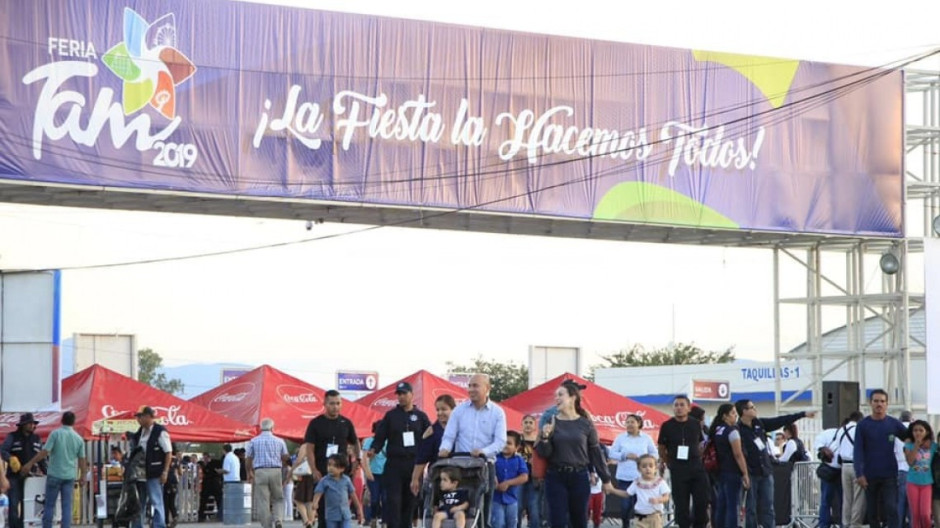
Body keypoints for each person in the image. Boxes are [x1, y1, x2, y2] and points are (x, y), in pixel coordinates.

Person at [535, 381, 613, 528]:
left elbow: (595, 452)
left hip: (579, 477)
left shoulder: (585, 423)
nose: (556, 398)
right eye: (555, 396)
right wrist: (545, 437)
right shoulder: (550, 421)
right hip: (555, 476)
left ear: (572, 398)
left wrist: (606, 479)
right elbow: (544, 453)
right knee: (557, 521)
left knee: (579, 521)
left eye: (560, 395)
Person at [438, 374, 508, 528]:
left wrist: (483, 451)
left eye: (476, 386)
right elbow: (449, 436)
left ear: (487, 388)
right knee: (461, 509)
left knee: (483, 509)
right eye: (470, 386)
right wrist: (445, 449)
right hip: (460, 468)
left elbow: (500, 441)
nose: (471, 389)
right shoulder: (459, 411)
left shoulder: (497, 412)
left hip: (485, 466)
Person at [734, 399, 814, 528]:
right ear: (744, 411)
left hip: (765, 472)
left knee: (768, 507)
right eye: (752, 407)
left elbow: (781, 420)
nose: (755, 409)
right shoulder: (738, 429)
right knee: (751, 508)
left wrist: (802, 414)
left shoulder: (759, 424)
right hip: (751, 473)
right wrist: (744, 474)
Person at [369, 381, 431, 528]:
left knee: (411, 502)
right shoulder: (391, 416)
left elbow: (429, 436)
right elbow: (380, 436)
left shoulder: (421, 416)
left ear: (412, 395)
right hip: (394, 465)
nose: (401, 397)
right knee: (393, 502)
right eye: (399, 394)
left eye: (404, 393)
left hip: (414, 465)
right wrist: (374, 449)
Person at [305, 390, 361, 528]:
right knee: (324, 509)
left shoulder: (346, 423)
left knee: (341, 505)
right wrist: (314, 469)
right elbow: (309, 449)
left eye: (338, 403)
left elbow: (356, 442)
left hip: (342, 472)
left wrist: (357, 461)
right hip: (323, 471)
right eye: (331, 403)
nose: (335, 407)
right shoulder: (315, 423)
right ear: (324, 404)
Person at [854, 389, 909, 528]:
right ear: (870, 403)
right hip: (869, 474)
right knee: (872, 511)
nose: (879, 404)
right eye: (876, 401)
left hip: (889, 474)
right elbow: (858, 451)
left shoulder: (894, 423)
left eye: (882, 401)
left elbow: (909, 438)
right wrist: (859, 473)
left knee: (891, 508)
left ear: (887, 404)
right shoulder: (862, 425)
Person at [22, 411, 85, 528]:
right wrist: (83, 477)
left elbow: (45, 452)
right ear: (73, 422)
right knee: (66, 506)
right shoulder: (79, 439)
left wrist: (30, 463)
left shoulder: (55, 434)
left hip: (55, 475)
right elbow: (82, 460)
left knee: (49, 505)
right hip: (69, 476)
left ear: (62, 420)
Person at [657, 395, 709, 528]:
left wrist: (699, 455)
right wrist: (667, 461)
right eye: (676, 405)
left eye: (682, 405)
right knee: (681, 505)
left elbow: (701, 443)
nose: (678, 408)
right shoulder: (667, 425)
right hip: (678, 468)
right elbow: (662, 447)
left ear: (688, 408)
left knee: (701, 502)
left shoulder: (695, 423)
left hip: (696, 467)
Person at [609, 414, 658, 528]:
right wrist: (625, 455)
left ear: (639, 424)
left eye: (632, 422)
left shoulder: (646, 438)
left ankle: (640, 525)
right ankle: (625, 525)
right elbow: (612, 453)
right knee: (625, 505)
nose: (629, 424)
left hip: (642, 477)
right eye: (627, 422)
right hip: (625, 477)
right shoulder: (620, 438)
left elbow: (655, 453)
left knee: (640, 505)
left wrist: (645, 460)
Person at [128, 406, 172, 528]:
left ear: (148, 416)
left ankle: (159, 525)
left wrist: (165, 472)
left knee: (156, 501)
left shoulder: (160, 431)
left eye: (140, 416)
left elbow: (168, 452)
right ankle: (137, 526)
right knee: (139, 502)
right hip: (140, 473)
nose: (138, 420)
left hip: (154, 473)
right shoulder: (139, 432)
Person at [1, 412, 45, 528]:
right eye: (29, 423)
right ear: (23, 425)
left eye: (33, 423)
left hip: (31, 478)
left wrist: (47, 473)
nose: (32, 426)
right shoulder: (12, 437)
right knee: (14, 504)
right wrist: (10, 459)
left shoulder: (36, 438)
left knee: (28, 506)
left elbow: (41, 459)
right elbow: (3, 450)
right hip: (14, 476)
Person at [709, 404, 749, 528]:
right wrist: (745, 473)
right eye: (732, 413)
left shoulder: (717, 430)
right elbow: (738, 454)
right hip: (732, 471)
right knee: (733, 505)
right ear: (725, 416)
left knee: (722, 504)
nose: (735, 415)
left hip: (720, 471)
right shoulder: (732, 431)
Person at [247, 417, 291, 528]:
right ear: (272, 427)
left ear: (261, 428)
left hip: (260, 471)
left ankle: (267, 525)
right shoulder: (280, 441)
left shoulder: (253, 441)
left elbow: (248, 458)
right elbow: (285, 457)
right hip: (275, 470)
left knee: (263, 500)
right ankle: (278, 519)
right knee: (278, 498)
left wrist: (249, 472)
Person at [608, 455, 671, 528]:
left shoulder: (660, 482)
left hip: (654, 517)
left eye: (651, 466)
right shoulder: (637, 482)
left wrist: (659, 500)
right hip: (639, 517)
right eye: (644, 466)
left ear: (655, 468)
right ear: (639, 469)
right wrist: (612, 490)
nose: (648, 469)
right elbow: (627, 494)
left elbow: (666, 497)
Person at [412, 395, 456, 496]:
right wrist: (414, 479)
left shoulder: (461, 429)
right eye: (437, 410)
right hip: (438, 479)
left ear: (453, 410)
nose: (440, 413)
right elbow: (422, 458)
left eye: (444, 409)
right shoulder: (432, 431)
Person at [312, 454, 364, 528]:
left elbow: (353, 495)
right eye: (329, 465)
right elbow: (318, 493)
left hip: (345, 514)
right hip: (331, 515)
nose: (331, 468)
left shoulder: (346, 480)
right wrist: (315, 505)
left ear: (342, 469)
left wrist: (359, 510)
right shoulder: (324, 480)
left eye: (335, 466)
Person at [493, 431, 529, 528]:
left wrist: (508, 483)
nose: (505, 445)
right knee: (498, 524)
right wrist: (494, 478)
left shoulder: (519, 460)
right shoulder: (494, 458)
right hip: (496, 499)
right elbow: (490, 471)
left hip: (512, 500)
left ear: (516, 447)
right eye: (504, 442)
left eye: (509, 443)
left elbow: (524, 476)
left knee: (512, 524)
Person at [902, 420, 935, 528]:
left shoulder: (932, 446)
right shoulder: (908, 445)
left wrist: (929, 441)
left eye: (921, 430)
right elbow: (910, 462)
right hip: (912, 483)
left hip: (927, 484)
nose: (918, 433)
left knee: (925, 514)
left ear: (927, 432)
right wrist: (916, 445)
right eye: (915, 430)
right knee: (915, 514)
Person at [838, 411, 866, 528]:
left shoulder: (841, 430)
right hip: (857, 465)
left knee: (847, 497)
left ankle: (846, 522)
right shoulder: (859, 429)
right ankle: (855, 523)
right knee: (858, 497)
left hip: (844, 466)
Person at [814, 422, 843, 528]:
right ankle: (839, 523)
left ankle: (825, 524)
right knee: (838, 500)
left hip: (832, 470)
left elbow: (818, 443)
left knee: (827, 500)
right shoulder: (830, 433)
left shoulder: (828, 433)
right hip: (837, 470)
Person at [516, 415, 541, 528]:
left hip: (534, 478)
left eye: (531, 422)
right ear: (521, 424)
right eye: (526, 422)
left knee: (534, 509)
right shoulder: (516, 440)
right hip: (518, 477)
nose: (528, 425)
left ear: (535, 425)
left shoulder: (539, 441)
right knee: (517, 507)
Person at [362, 422, 387, 528]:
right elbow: (364, 458)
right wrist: (367, 472)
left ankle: (385, 521)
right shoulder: (369, 441)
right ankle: (373, 517)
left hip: (387, 474)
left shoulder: (389, 441)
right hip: (374, 474)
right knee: (375, 498)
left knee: (386, 499)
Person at [291, 443, 317, 528]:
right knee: (311, 500)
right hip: (316, 473)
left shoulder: (305, 446)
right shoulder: (319, 444)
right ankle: (311, 520)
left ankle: (306, 521)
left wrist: (293, 470)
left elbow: (299, 460)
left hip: (306, 474)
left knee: (298, 499)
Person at [896, 411, 913, 528]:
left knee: (899, 502)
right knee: (912, 503)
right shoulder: (916, 431)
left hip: (899, 468)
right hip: (913, 470)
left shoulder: (896, 431)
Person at [198, 452, 223, 522]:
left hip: (214, 484)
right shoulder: (204, 465)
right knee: (204, 501)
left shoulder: (215, 463)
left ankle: (220, 515)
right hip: (208, 485)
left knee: (218, 500)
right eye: (204, 458)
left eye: (206, 458)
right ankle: (201, 516)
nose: (205, 459)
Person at [164, 447, 182, 528]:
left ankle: (166, 521)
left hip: (166, 481)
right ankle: (174, 516)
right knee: (172, 501)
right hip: (174, 482)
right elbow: (180, 472)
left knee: (166, 503)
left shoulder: (166, 458)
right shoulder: (176, 460)